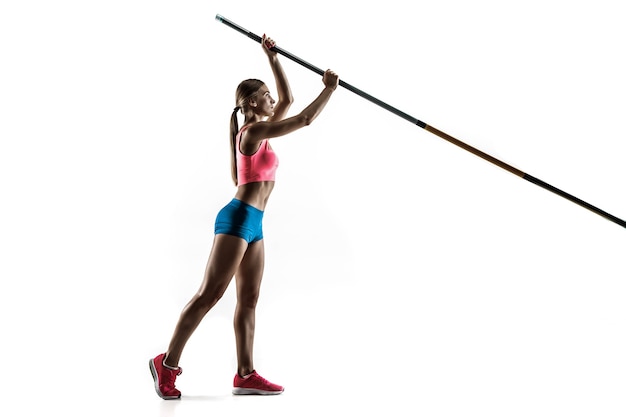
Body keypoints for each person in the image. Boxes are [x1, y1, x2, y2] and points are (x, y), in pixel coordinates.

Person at [149, 34, 339, 399]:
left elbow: (288, 100)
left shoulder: (260, 133)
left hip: (255, 225)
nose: (272, 100)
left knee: (249, 299)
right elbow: (304, 118)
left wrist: (272, 58)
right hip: (237, 220)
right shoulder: (252, 133)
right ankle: (167, 364)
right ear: (252, 102)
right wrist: (329, 89)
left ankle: (245, 374)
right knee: (209, 294)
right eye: (265, 95)